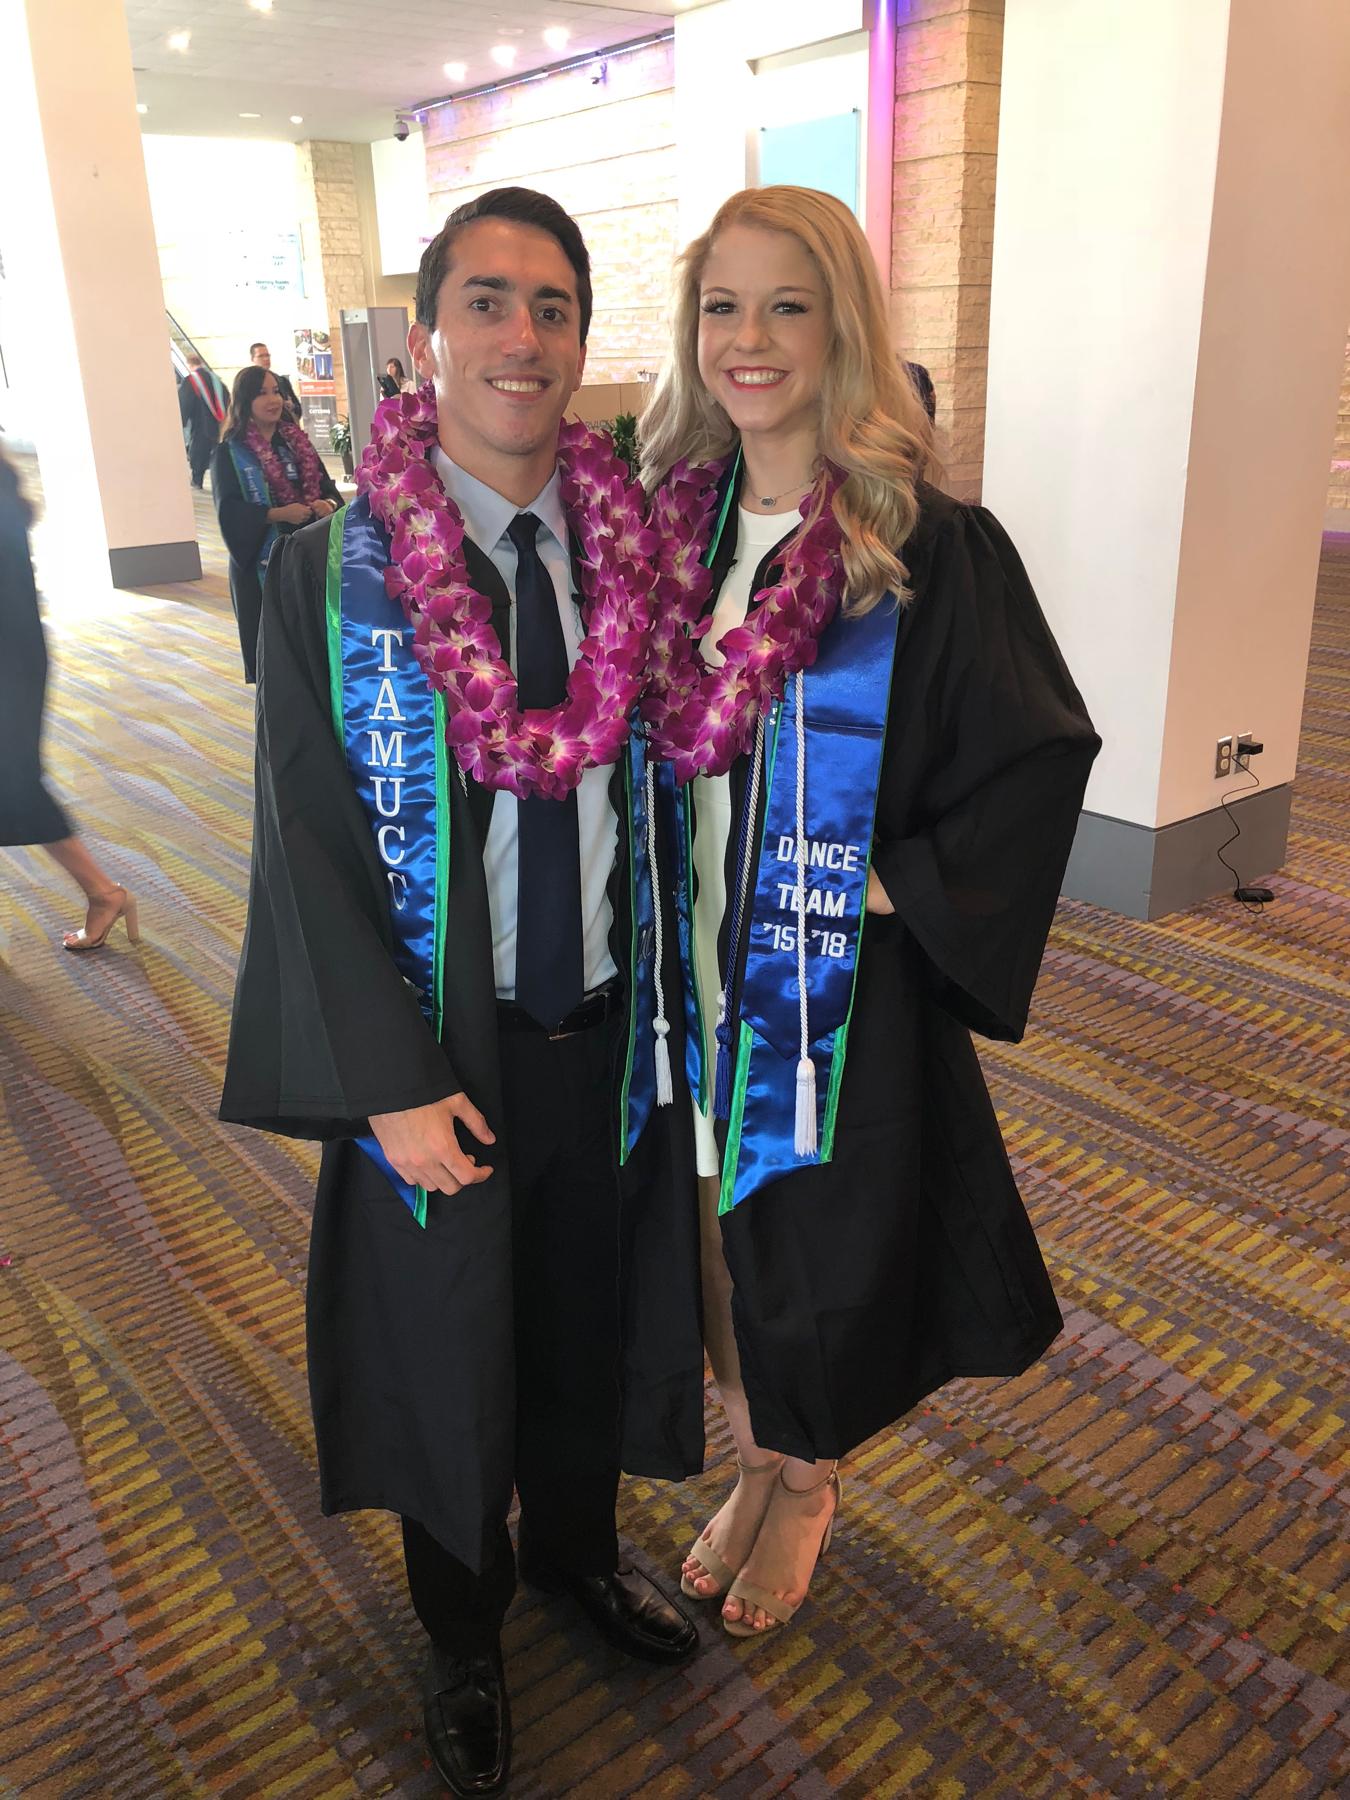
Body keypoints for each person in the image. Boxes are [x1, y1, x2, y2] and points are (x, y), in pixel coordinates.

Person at [220, 187, 703, 1799]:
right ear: (428, 331)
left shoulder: (625, 553)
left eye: (552, 305)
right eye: (486, 300)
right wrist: (383, 1074)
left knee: (582, 1315)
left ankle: (573, 1555)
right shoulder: (332, 574)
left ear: (579, 341)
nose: (521, 335)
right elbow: (303, 832)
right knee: (449, 1349)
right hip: (443, 1047)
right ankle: (463, 1631)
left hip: (604, 1027)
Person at [637, 186, 1100, 1641]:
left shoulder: (922, 544)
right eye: (723, 305)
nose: (749, 339)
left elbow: (1034, 752)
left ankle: (804, 1477)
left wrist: (886, 876)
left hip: (829, 985)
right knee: (719, 1237)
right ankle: (762, 1453)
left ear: (842, 326)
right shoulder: (670, 530)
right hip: (681, 956)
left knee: (818, 1236)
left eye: (788, 304)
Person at [0, 445, 139, 951]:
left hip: (8, 659)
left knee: (14, 785)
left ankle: (104, 892)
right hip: (16, 650)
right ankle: (103, 893)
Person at [210, 366, 341, 682]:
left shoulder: (297, 445)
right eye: (262, 393)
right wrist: (278, 514)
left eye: (277, 392)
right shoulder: (230, 453)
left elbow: (328, 488)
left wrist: (329, 504)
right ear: (245, 400)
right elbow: (229, 511)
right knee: (274, 659)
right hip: (261, 560)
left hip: (305, 556)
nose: (274, 400)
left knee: (314, 649)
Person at [177, 353, 228, 489]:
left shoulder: (191, 381)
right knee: (216, 453)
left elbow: (184, 403)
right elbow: (226, 397)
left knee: (199, 451)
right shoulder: (216, 380)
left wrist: (182, 420)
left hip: (200, 424)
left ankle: (197, 479)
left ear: (189, 365)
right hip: (217, 424)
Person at [248, 342, 302, 422]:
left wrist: (291, 406)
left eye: (267, 355)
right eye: (261, 356)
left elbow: (298, 409)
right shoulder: (248, 383)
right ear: (253, 359)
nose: (266, 359)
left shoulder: (282, 381)